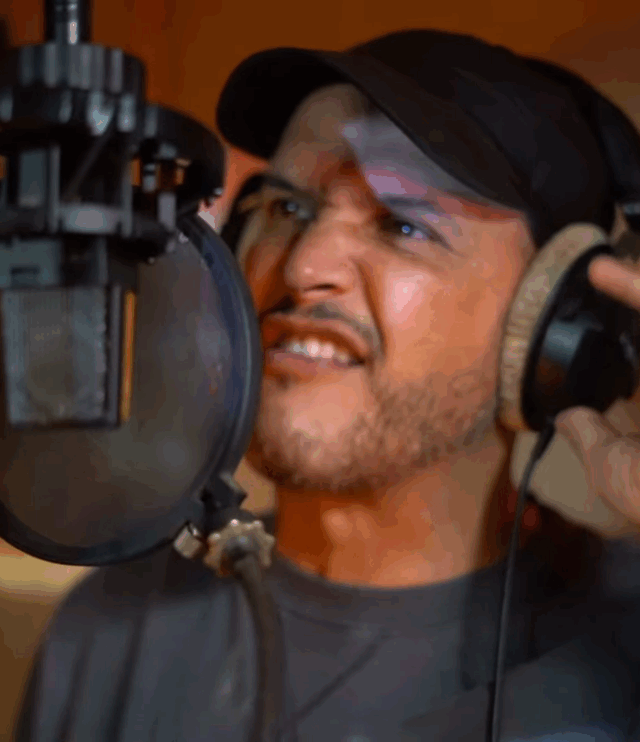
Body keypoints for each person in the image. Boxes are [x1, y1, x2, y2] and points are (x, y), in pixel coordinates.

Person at [15, 29, 640, 742]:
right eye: (288, 209)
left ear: (554, 324)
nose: (303, 265)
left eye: (403, 225)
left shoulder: (628, 639)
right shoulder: (107, 632)